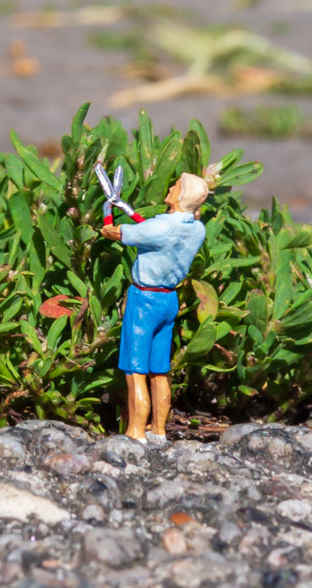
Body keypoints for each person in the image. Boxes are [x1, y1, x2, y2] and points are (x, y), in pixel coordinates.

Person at [100, 173, 209, 444]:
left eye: (176, 186)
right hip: (169, 300)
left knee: (135, 369)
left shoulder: (160, 228)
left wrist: (108, 213)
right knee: (159, 370)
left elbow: (117, 233)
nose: (170, 187)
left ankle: (135, 433)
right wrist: (134, 214)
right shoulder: (197, 228)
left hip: (144, 301)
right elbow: (153, 229)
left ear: (181, 196)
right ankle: (158, 431)